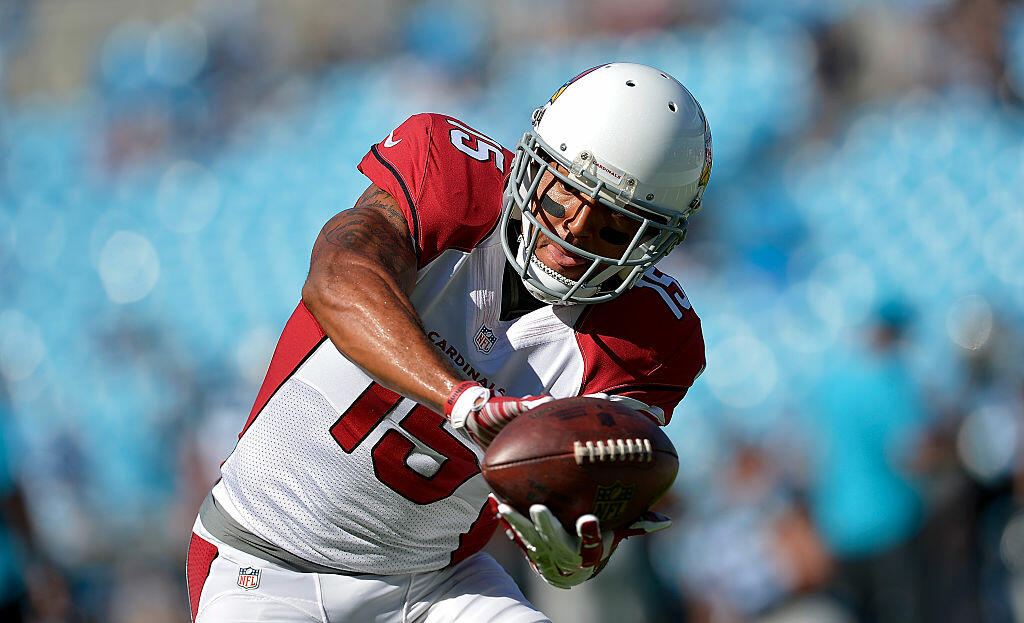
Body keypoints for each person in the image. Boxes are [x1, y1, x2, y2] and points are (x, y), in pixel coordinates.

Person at [186, 62, 712, 623]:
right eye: (563, 196)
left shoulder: (653, 340)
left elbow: (587, 492)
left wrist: (576, 556)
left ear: (652, 241)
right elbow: (338, 277)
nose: (574, 232)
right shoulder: (449, 176)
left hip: (437, 584)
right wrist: (462, 400)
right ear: (533, 165)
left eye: (612, 225)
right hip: (263, 559)